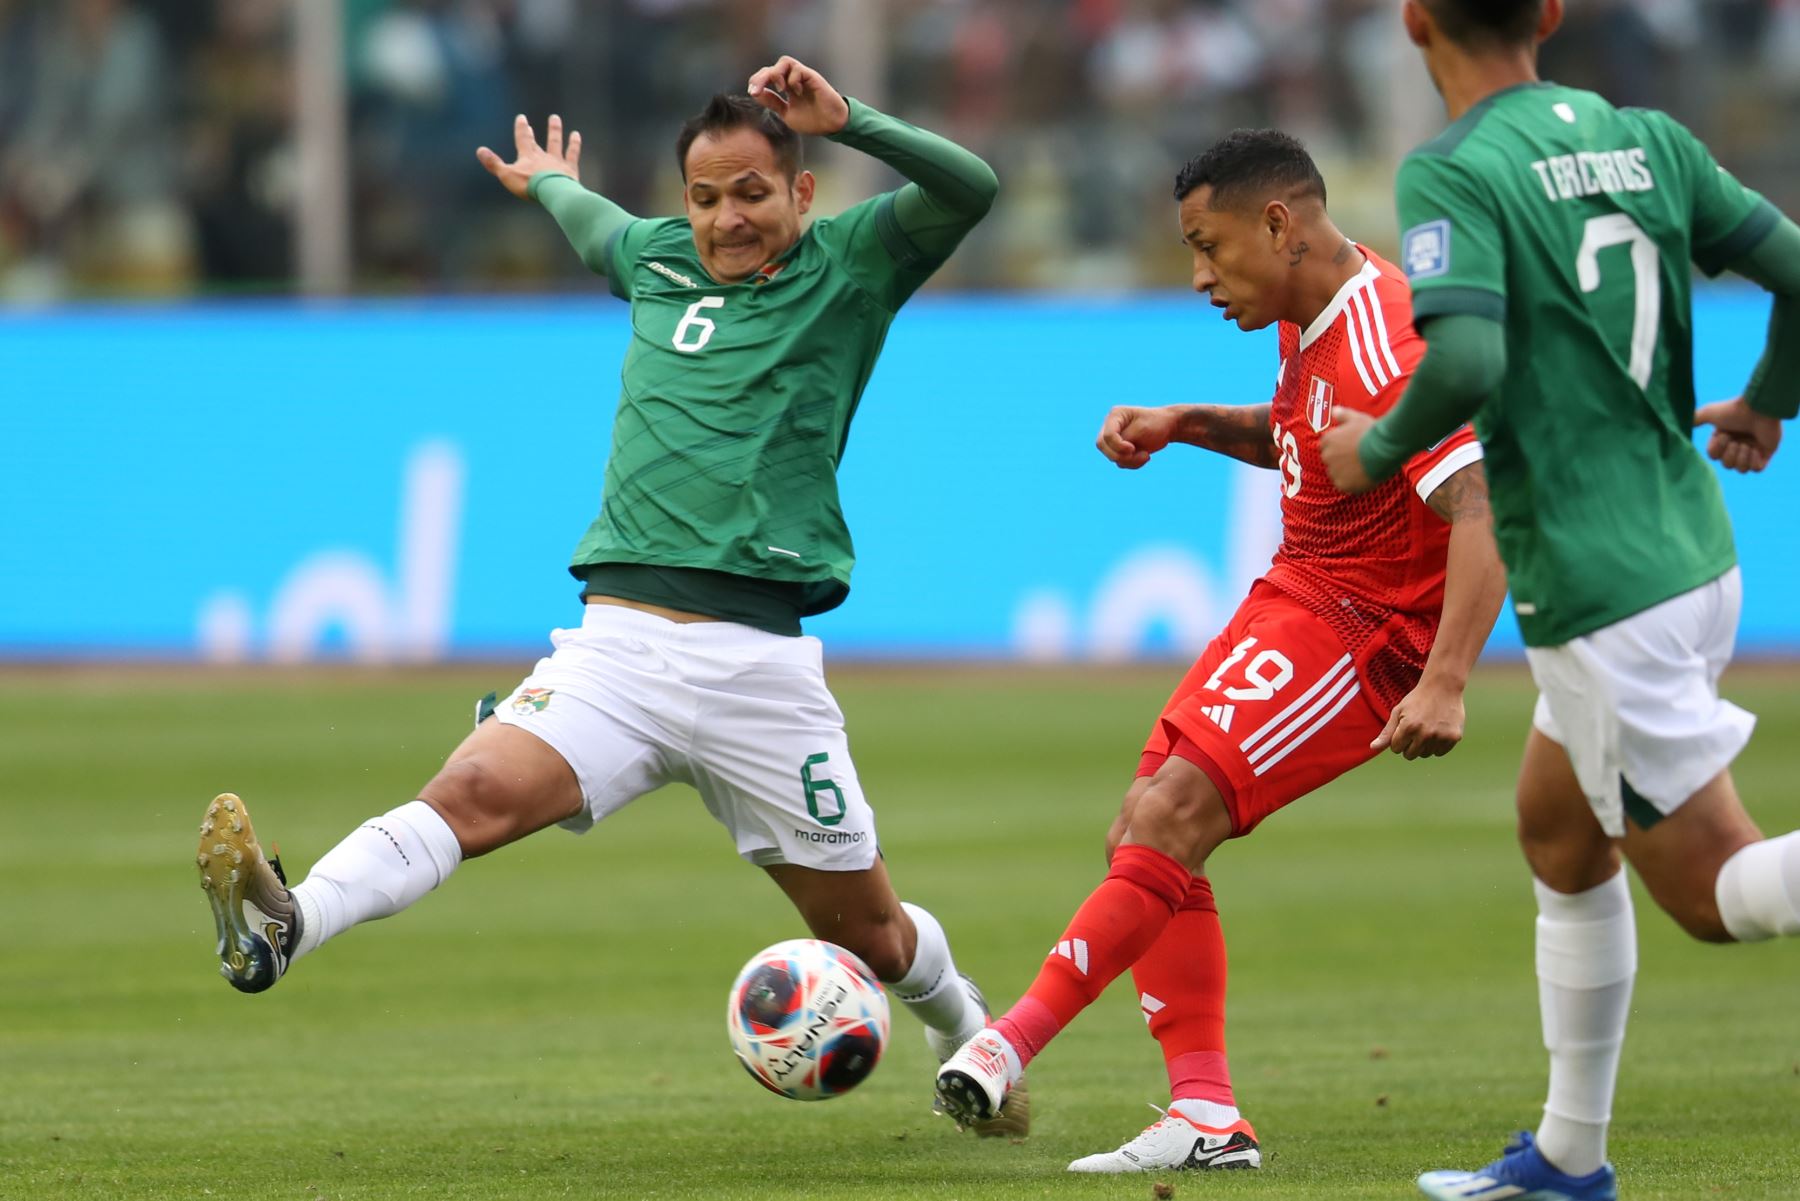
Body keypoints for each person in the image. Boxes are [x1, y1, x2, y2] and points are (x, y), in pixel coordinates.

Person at [195, 55, 1029, 1138]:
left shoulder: (854, 262)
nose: (726, 218)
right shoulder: (655, 257)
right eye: (704, 196)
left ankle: (966, 1024)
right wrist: (547, 181)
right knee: (469, 797)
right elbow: (594, 223)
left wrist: (850, 118)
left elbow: (973, 187)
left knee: (872, 935)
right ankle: (283, 921)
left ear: (804, 191)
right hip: (617, 648)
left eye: (751, 193)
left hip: (758, 667)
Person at [933, 128, 1508, 1171]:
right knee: (1146, 832)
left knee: (1168, 816)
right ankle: (1204, 1114)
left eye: (1209, 246)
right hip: (1299, 593)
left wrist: (1447, 680)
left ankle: (1007, 1040)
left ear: (1279, 222)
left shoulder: (1389, 335)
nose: (1199, 275)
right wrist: (1193, 420)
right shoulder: (1307, 311)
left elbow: (1481, 503)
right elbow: (1308, 434)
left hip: (1364, 629)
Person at [1316, 3, 1800, 1199]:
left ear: (1416, 19)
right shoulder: (1651, 138)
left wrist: (1375, 452)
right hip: (1691, 550)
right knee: (1559, 827)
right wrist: (1770, 399)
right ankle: (1569, 1158)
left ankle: (1571, 1161)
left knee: (1717, 896)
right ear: (1550, 14)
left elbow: (1470, 362)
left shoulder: (1456, 168)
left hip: (1599, 586)